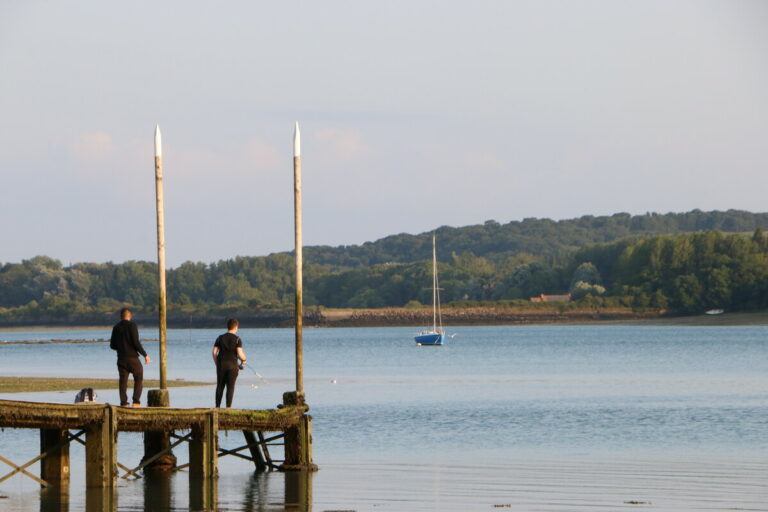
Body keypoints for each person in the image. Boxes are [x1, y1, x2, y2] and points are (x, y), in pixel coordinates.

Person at [110, 308, 151, 407]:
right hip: (132, 358)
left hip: (121, 358)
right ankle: (136, 402)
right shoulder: (132, 326)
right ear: (130, 316)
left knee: (123, 381)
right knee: (138, 378)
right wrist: (145, 355)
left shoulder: (116, 327)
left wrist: (121, 347)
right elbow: (136, 342)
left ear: (121, 317)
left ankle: (124, 403)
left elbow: (112, 345)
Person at [212, 318, 247, 408]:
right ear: (236, 327)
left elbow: (214, 352)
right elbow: (240, 353)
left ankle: (217, 406)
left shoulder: (220, 338)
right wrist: (244, 359)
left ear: (227, 327)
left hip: (221, 364)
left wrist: (217, 363)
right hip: (233, 366)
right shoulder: (237, 339)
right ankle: (228, 407)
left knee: (220, 386)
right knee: (230, 387)